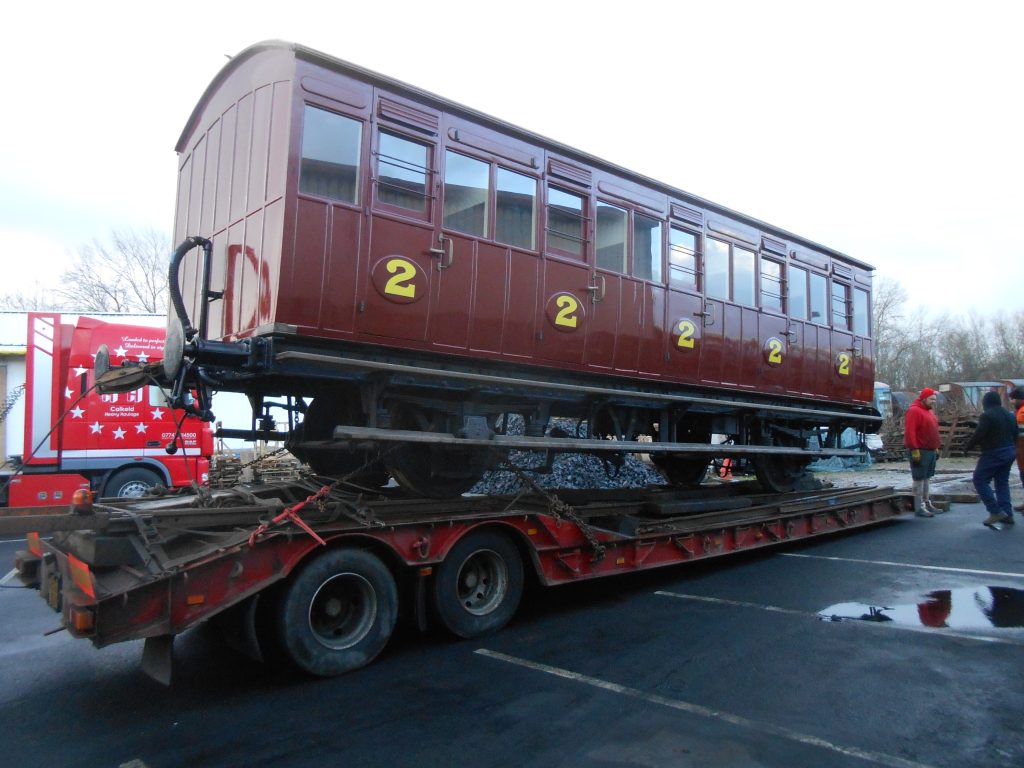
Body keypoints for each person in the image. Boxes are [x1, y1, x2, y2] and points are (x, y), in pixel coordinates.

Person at [964, 390, 1017, 528]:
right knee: (1002, 483)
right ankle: (1007, 514)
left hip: (994, 452)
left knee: (979, 479)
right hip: (1010, 451)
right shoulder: (1010, 415)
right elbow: (1015, 433)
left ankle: (995, 511)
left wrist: (967, 447)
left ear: (986, 403)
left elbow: (979, 434)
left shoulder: (987, 416)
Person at [903, 387, 942, 517]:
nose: (933, 401)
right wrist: (914, 449)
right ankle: (918, 506)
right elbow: (910, 431)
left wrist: (936, 447)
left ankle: (926, 502)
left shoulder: (929, 412)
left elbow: (933, 430)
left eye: (935, 399)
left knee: (927, 478)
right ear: (924, 398)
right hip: (920, 450)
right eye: (931, 399)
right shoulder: (914, 411)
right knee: (919, 478)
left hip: (930, 450)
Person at [1009, 386, 1024, 513]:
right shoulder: (1020, 411)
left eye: (1013, 399)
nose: (1011, 402)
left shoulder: (1022, 413)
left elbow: (1018, 431)